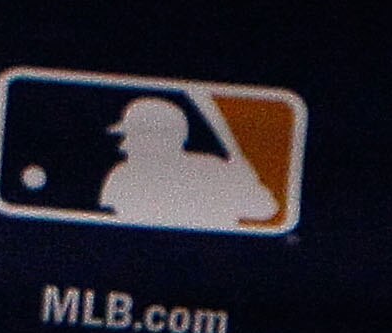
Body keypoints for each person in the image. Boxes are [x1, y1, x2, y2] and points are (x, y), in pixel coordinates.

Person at [101, 89, 278, 228]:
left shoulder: (213, 171)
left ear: (159, 139)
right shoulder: (125, 175)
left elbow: (265, 210)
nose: (123, 146)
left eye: (132, 136)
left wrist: (246, 183)